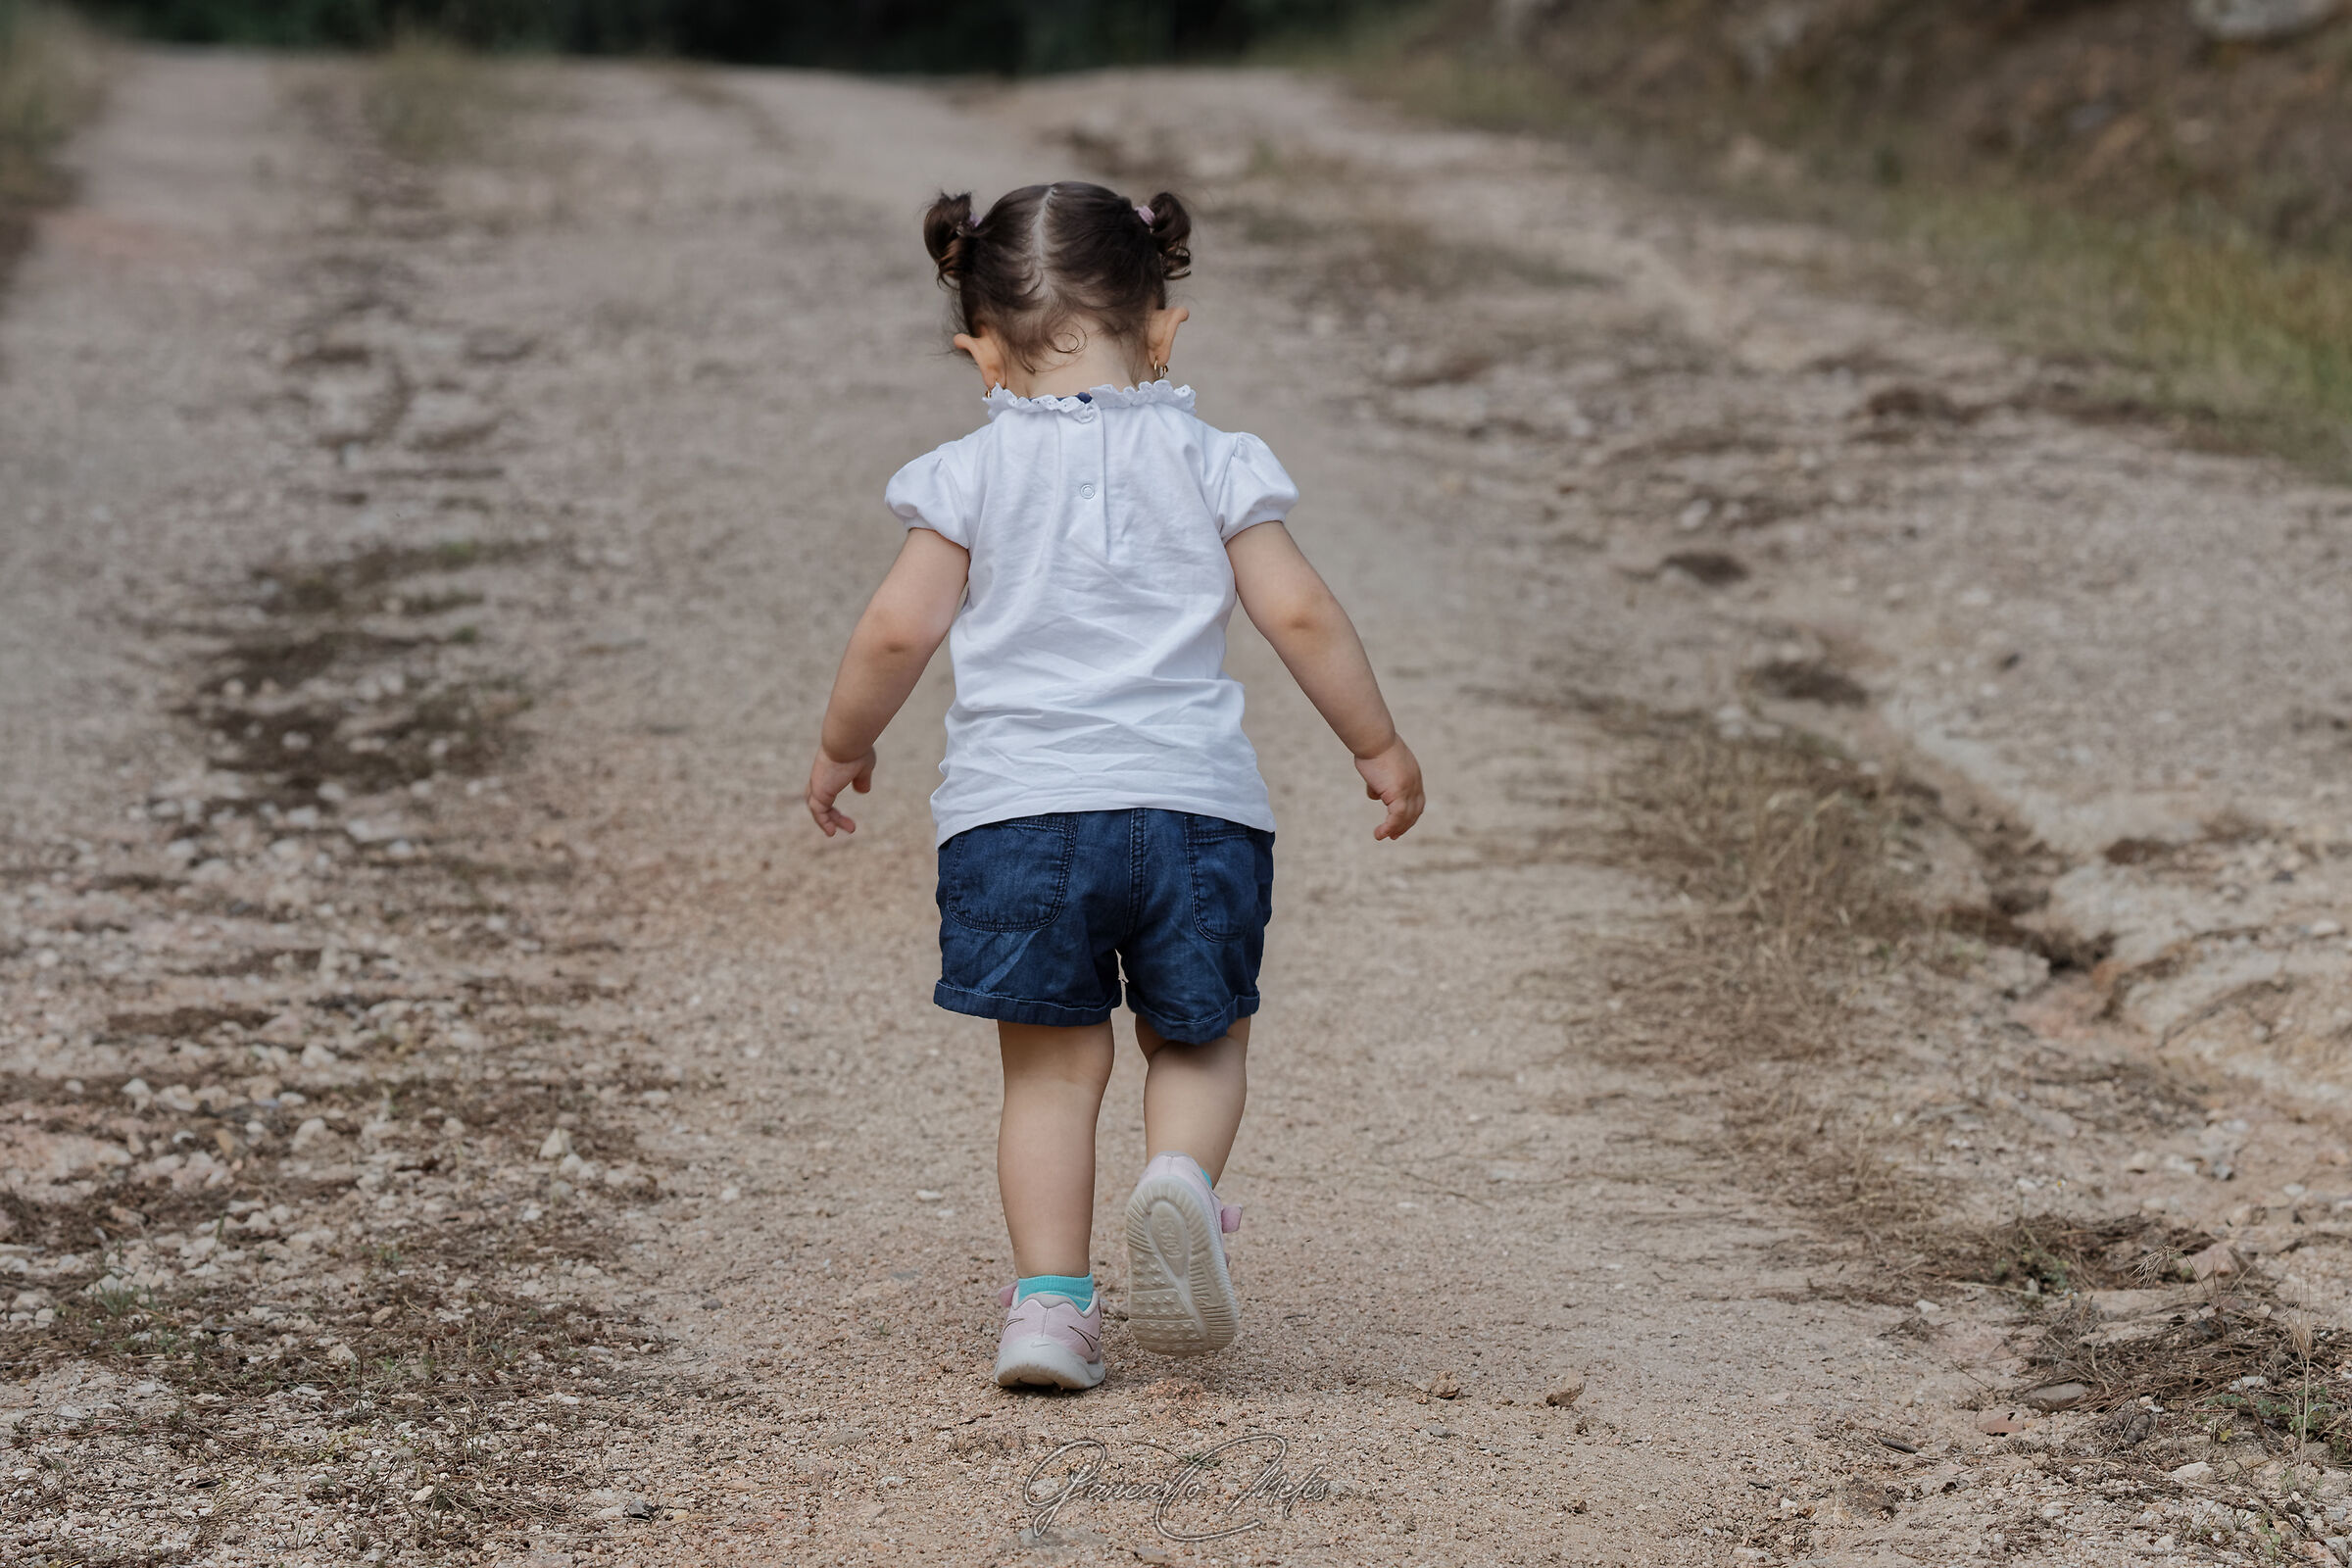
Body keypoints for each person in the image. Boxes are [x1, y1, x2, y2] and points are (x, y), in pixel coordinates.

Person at [806, 180, 1423, 1391]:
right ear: (1164, 330)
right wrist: (1377, 742)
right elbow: (1298, 611)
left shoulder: (967, 475)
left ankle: (1049, 1310)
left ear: (981, 352)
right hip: (1197, 812)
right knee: (1199, 1036)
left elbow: (896, 631)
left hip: (1017, 816)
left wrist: (844, 743)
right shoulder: (1214, 461)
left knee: (1049, 1071)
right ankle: (1179, 1179)